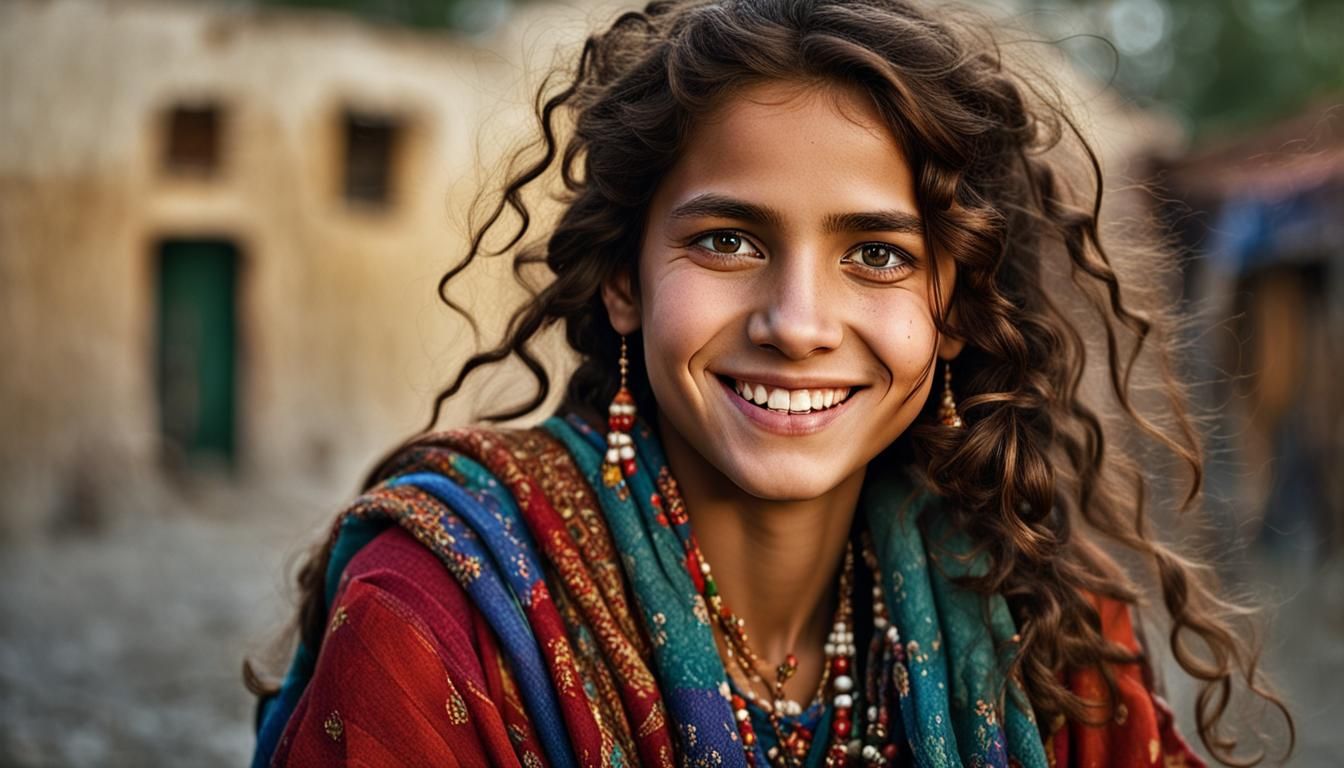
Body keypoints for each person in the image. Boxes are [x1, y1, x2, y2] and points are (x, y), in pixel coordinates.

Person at [245, 1, 1293, 765]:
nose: (796, 324)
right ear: (622, 280)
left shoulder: (1038, 618)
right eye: (729, 239)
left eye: (877, 254)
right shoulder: (437, 621)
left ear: (959, 307)